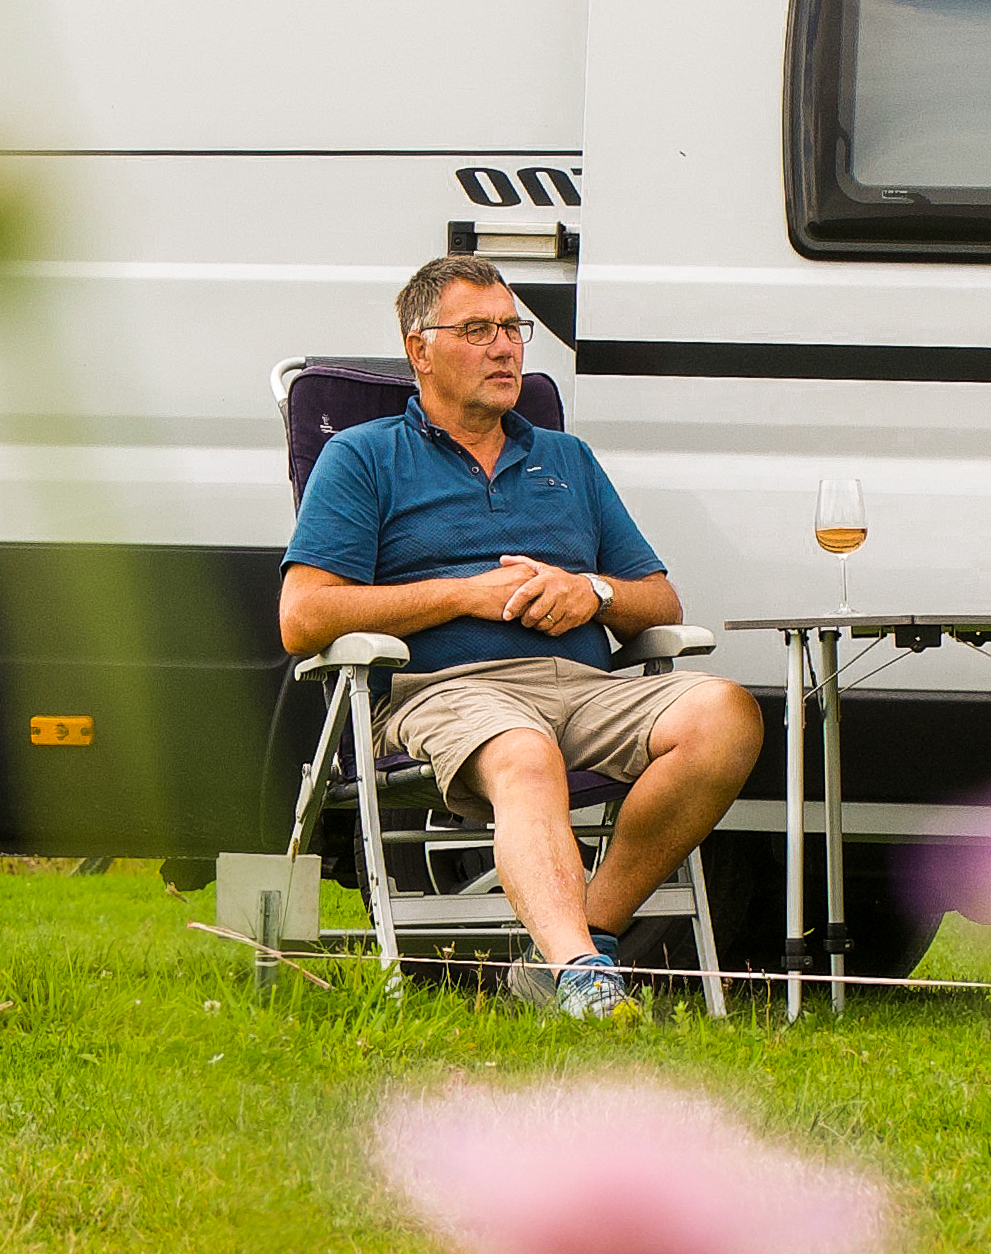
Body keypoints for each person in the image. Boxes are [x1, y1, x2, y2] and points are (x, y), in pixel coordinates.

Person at [279, 255, 764, 1018]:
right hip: (441, 693)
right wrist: (463, 594)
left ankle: (576, 950)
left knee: (723, 713)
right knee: (521, 749)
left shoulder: (565, 459)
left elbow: (658, 597)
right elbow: (303, 617)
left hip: (581, 687)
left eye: (513, 328)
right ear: (420, 350)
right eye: (478, 329)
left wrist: (591, 592)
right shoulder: (363, 456)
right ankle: (582, 975)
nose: (505, 347)